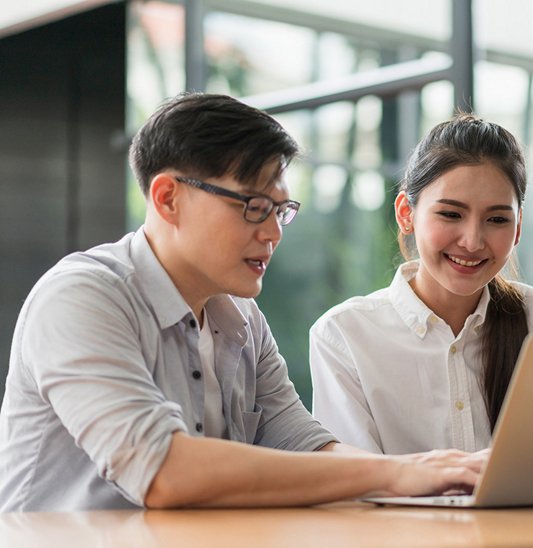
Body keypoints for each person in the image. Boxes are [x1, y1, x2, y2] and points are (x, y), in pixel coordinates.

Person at [0, 93, 485, 512]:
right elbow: (163, 472)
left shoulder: (242, 317)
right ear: (168, 198)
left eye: (281, 210)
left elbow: (305, 445)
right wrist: (395, 476)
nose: (273, 231)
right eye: (254, 207)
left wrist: (434, 474)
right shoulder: (82, 297)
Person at [310, 113, 533, 455]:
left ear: (517, 229)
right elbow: (355, 483)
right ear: (406, 214)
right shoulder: (345, 334)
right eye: (451, 214)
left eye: (497, 219)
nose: (472, 241)